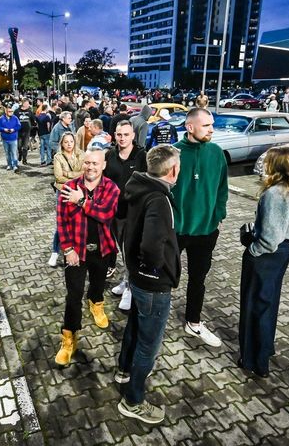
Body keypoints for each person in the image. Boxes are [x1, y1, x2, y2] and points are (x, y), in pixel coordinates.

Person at [115, 145, 181, 424]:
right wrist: (154, 271)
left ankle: (124, 370)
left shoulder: (138, 188)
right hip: (153, 284)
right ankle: (133, 400)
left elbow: (123, 224)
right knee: (148, 345)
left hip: (137, 278)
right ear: (173, 169)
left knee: (135, 327)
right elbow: (152, 245)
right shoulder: (158, 199)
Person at [239, 146, 289, 378]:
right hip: (283, 253)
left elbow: (269, 238)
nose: (263, 166)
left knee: (254, 307)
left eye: (267, 162)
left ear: (275, 166)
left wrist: (253, 248)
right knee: (269, 304)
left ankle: (254, 360)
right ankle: (265, 349)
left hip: (265, 256)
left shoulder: (274, 193)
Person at [54, 148, 120, 367]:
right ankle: (69, 337)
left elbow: (106, 215)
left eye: (95, 163)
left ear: (103, 166)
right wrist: (67, 249)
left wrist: (82, 202)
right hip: (76, 252)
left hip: (102, 249)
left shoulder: (111, 187)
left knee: (98, 283)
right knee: (73, 295)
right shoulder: (69, 188)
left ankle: (96, 304)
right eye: (87, 163)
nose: (91, 167)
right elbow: (61, 222)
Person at [171, 107, 229, 347]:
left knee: (198, 279)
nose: (212, 129)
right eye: (206, 125)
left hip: (206, 231)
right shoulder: (173, 153)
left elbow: (222, 188)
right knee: (165, 278)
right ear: (190, 127)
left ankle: (193, 321)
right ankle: (154, 319)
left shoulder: (216, 153)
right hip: (176, 230)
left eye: (212, 124)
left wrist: (218, 215)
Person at [105, 121, 148, 310]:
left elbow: (148, 183)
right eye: (119, 135)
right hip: (113, 213)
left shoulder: (141, 156)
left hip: (133, 213)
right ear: (115, 135)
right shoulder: (110, 154)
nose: (122, 138)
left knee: (131, 252)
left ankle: (131, 289)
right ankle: (125, 281)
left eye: (126, 135)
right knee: (122, 251)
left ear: (133, 135)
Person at [49, 132, 85, 267]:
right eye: (66, 142)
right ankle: (55, 252)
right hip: (63, 192)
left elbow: (84, 173)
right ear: (62, 144)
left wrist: (68, 174)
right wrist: (75, 177)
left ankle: (75, 249)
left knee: (77, 221)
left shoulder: (82, 154)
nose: (69, 144)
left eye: (71, 141)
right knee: (61, 224)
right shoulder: (58, 157)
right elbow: (58, 177)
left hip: (79, 192)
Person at [0, 105, 22, 171]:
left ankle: (15, 165)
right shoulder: (1, 119)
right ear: (6, 111)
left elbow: (19, 126)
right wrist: (4, 129)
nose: (11, 112)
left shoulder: (15, 118)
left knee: (14, 153)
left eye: (12, 111)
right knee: (7, 153)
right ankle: (9, 165)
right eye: (9, 111)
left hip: (13, 138)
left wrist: (13, 129)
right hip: (5, 139)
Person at [16, 100, 36, 165]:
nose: (28, 105)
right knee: (19, 145)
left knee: (25, 146)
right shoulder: (17, 111)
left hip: (27, 131)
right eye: (27, 103)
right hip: (19, 131)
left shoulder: (29, 111)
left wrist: (34, 125)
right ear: (23, 104)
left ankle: (24, 159)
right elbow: (14, 119)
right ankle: (20, 153)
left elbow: (33, 120)